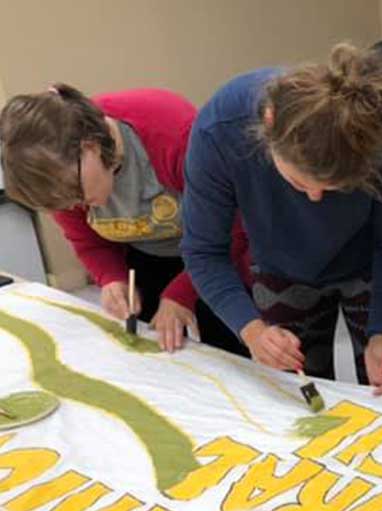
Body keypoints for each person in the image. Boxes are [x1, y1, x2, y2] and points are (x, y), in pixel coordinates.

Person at [182, 43, 382, 395]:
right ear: (269, 121)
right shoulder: (219, 130)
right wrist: (253, 331)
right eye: (298, 183)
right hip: (282, 266)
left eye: (336, 188)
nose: (314, 199)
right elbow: (203, 252)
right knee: (300, 394)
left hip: (372, 264)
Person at [0, 84, 249, 353]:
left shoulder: (174, 134)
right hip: (147, 255)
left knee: (228, 348)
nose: (76, 207)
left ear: (91, 148)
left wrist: (181, 294)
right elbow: (87, 242)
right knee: (157, 345)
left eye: (78, 195)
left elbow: (233, 230)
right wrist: (111, 278)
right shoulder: (60, 173)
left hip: (218, 255)